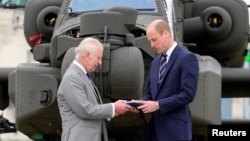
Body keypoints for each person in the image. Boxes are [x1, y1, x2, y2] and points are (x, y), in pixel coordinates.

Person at [134, 19, 199, 141]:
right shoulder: (155, 63)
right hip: (155, 131)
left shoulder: (187, 58)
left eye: (154, 40)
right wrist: (139, 104)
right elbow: (150, 94)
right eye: (150, 41)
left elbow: (188, 94)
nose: (152, 45)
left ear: (166, 33)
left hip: (176, 131)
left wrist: (158, 105)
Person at [57, 37, 131, 141]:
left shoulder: (82, 76)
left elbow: (91, 108)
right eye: (98, 58)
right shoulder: (72, 77)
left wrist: (115, 109)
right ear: (87, 55)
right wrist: (113, 108)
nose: (100, 62)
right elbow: (85, 110)